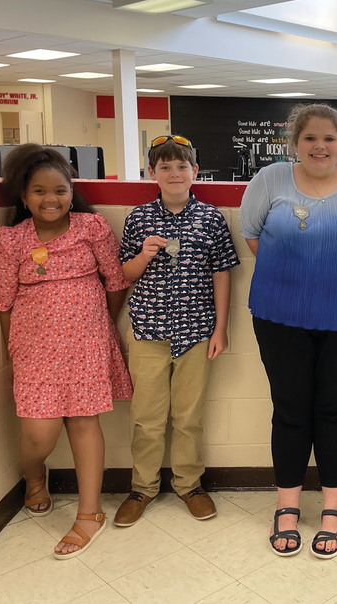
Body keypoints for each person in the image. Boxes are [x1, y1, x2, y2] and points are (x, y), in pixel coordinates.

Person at [239, 103, 337, 559]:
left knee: (335, 411)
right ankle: (286, 506)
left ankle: (333, 508)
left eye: (329, 139)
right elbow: (252, 235)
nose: (320, 146)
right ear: (295, 143)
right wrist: (300, 277)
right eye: (310, 138)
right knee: (290, 410)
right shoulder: (269, 180)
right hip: (279, 316)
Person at [0, 144, 132, 559]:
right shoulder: (11, 240)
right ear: (23, 196)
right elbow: (4, 303)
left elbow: (115, 282)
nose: (50, 199)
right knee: (39, 432)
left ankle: (90, 514)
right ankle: (34, 476)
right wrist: (13, 353)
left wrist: (100, 325)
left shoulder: (92, 228)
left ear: (72, 192)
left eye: (59, 190)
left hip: (87, 342)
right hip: (34, 348)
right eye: (39, 191)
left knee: (85, 423)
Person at [115, 135, 239, 526]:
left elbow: (222, 273)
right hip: (148, 330)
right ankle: (142, 487)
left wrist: (220, 328)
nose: (174, 173)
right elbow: (125, 274)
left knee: (189, 416)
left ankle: (189, 485)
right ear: (151, 173)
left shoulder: (211, 218)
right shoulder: (138, 218)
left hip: (197, 331)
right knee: (146, 417)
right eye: (165, 167)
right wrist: (143, 255)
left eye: (181, 166)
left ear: (194, 171)